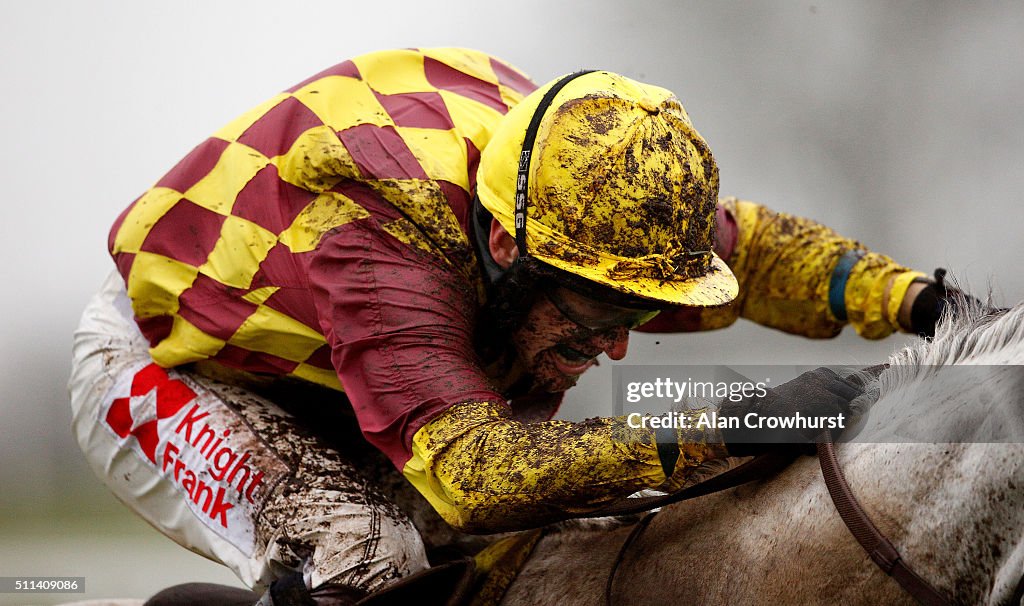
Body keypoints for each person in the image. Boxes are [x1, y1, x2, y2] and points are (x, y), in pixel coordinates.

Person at [68, 47, 963, 605]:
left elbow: (760, 253)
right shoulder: (384, 230)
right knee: (372, 557)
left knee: (568, 538)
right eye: (601, 315)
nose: (619, 346)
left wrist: (925, 303)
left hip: (364, 369)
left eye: (638, 313)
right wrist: (731, 421)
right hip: (177, 368)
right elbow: (475, 477)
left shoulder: (604, 203)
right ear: (505, 243)